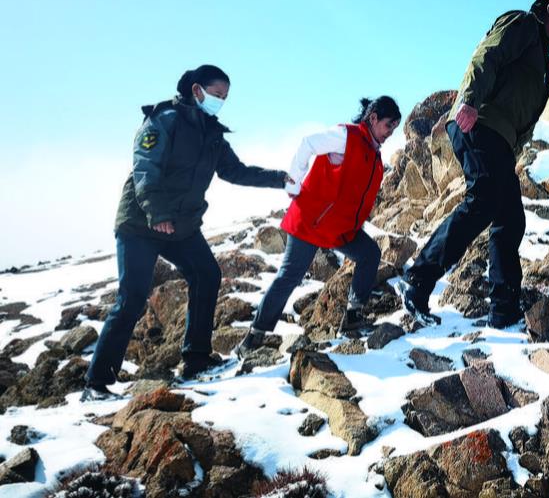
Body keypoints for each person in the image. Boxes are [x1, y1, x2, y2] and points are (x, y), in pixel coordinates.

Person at [83, 66, 292, 400]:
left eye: (225, 97)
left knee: (207, 274)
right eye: (216, 94)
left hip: (181, 226)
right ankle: (96, 382)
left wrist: (279, 178)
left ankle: (195, 359)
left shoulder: (212, 134)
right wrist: (157, 213)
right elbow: (145, 167)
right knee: (133, 297)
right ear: (197, 90)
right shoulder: (164, 120)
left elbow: (235, 171)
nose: (220, 101)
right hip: (141, 223)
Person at [402, 0, 549, 328]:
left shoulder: (542, 61)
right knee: (483, 198)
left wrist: (511, 155)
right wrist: (469, 99)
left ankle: (504, 311)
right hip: (477, 121)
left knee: (511, 219)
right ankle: (419, 279)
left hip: (498, 140)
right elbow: (487, 55)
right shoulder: (523, 23)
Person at [236, 96, 401, 356]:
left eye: (394, 128)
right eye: (388, 126)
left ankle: (353, 317)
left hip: (340, 228)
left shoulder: (373, 153)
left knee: (369, 254)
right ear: (373, 119)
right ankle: (254, 337)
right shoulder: (345, 137)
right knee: (290, 275)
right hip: (312, 222)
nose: (390, 133)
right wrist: (294, 180)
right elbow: (308, 143)